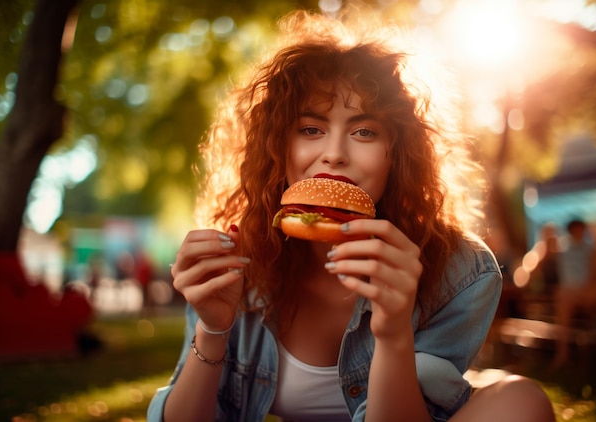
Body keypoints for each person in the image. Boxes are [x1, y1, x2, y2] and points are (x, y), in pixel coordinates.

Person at [148, 9, 554, 422]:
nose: (335, 153)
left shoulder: (462, 271)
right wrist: (213, 328)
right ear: (277, 147)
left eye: (364, 132)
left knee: (521, 400)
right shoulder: (233, 261)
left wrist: (393, 332)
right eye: (310, 129)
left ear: (396, 153)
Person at [553, 219, 596, 369]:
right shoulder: (563, 250)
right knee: (565, 300)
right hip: (573, 294)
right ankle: (562, 356)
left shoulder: (592, 250)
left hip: (589, 293)